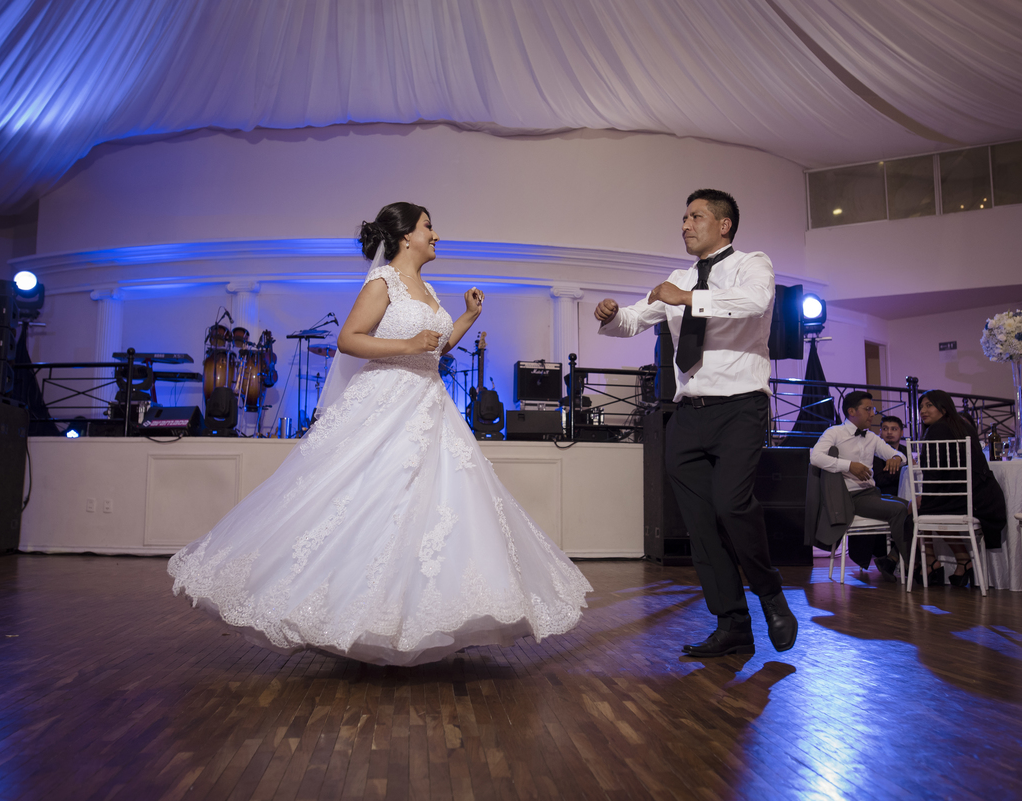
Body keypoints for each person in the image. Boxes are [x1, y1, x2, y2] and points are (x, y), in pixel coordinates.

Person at [168, 202, 592, 666]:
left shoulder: (428, 289)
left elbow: (435, 349)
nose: (436, 234)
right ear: (406, 235)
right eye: (428, 226)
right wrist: (408, 343)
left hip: (431, 404)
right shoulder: (383, 281)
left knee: (437, 507)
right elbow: (349, 338)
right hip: (387, 400)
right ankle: (345, 610)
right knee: (367, 498)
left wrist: (467, 317)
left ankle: (414, 616)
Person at [594, 188, 797, 658]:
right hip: (687, 413)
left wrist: (687, 298)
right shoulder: (677, 278)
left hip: (740, 407)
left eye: (695, 216)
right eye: (683, 218)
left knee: (731, 505)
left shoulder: (752, 264)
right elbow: (632, 320)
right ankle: (732, 624)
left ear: (724, 225)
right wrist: (611, 314)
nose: (685, 224)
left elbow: (753, 302)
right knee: (701, 526)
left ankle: (770, 593)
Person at [809, 393, 910, 581]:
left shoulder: (871, 437)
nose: (872, 414)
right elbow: (815, 457)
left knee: (912, 508)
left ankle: (892, 559)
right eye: (868, 409)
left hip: (872, 493)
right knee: (898, 510)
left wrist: (897, 458)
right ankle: (915, 567)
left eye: (872, 409)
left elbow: (901, 456)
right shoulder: (835, 433)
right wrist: (848, 466)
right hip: (850, 497)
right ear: (852, 411)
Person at [915, 389, 1008, 588]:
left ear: (943, 407)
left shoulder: (937, 430)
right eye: (921, 406)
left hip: (969, 499)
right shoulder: (963, 425)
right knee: (927, 509)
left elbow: (933, 474)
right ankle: (961, 562)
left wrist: (926, 497)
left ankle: (932, 562)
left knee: (919, 510)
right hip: (984, 497)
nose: (923, 410)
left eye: (929, 405)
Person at [875, 415, 906, 497]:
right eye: (885, 429)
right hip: (884, 495)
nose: (889, 432)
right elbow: (879, 480)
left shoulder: (906, 451)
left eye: (894, 429)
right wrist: (903, 472)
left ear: (901, 432)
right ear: (880, 432)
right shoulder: (876, 452)